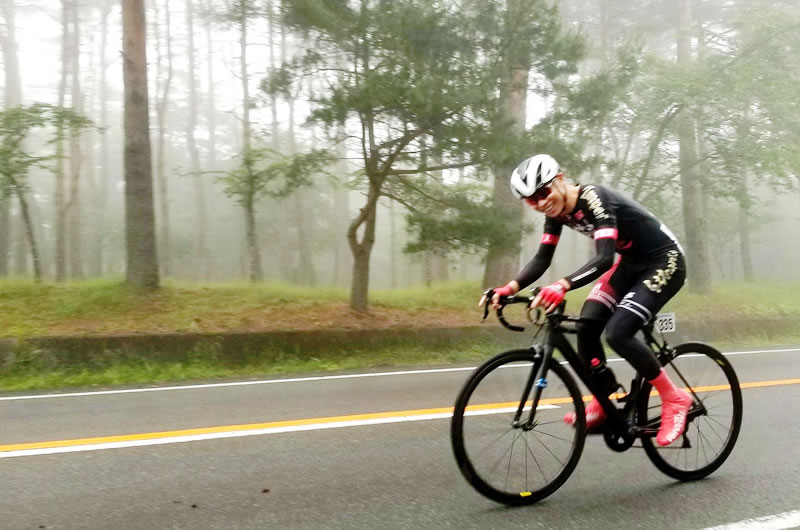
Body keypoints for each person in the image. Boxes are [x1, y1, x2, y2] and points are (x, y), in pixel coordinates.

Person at [482, 153, 691, 447]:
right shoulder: (554, 214)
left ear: (560, 179)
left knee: (618, 333)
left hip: (664, 260)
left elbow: (604, 258)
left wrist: (563, 285)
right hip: (631, 263)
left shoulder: (595, 198)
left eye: (543, 192)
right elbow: (542, 259)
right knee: (587, 325)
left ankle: (675, 399)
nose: (541, 202)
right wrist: (509, 287)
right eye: (531, 200)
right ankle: (603, 400)